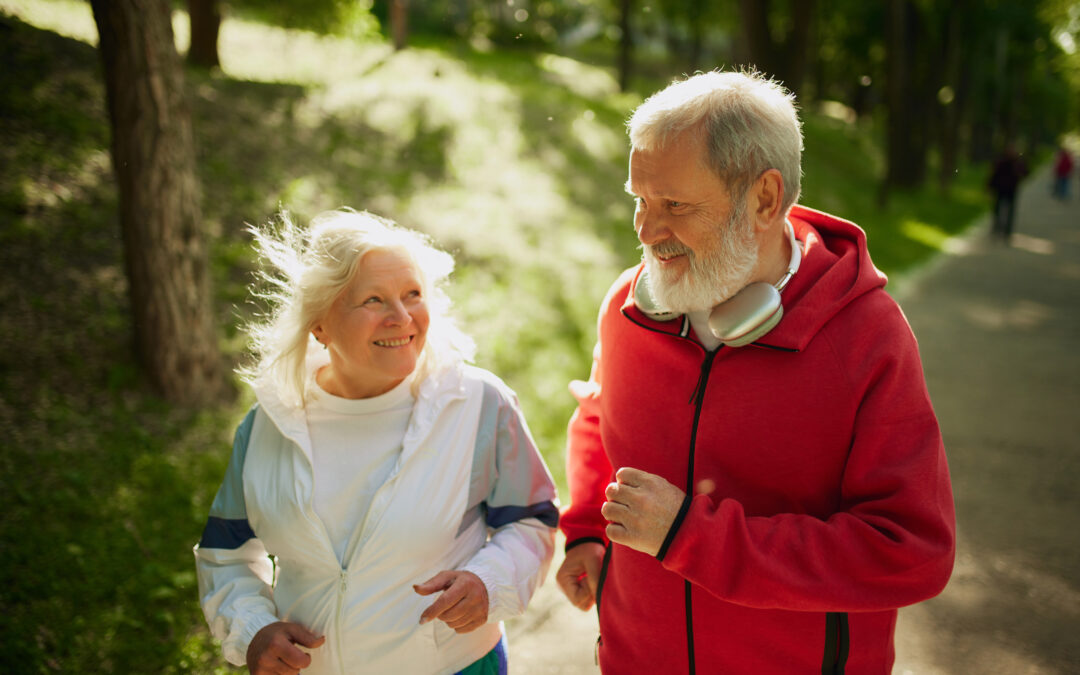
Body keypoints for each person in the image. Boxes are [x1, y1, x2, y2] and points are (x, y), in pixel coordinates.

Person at [555, 70, 955, 674]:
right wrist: (586, 526)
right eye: (640, 199)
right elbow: (597, 417)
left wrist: (693, 535)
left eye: (675, 205)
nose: (645, 229)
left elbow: (911, 551)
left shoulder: (868, 338)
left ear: (765, 199)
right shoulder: (630, 305)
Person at [194, 209, 558, 675]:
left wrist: (490, 581)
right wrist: (252, 629)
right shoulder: (270, 423)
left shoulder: (477, 403)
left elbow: (534, 519)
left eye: (413, 295)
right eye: (373, 300)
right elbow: (225, 552)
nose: (402, 318)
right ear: (319, 324)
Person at [988, 142, 1028, 241]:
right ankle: (997, 227)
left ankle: (1007, 231)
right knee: (998, 209)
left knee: (1010, 210)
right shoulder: (1001, 160)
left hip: (1011, 189)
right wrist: (989, 185)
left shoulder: (1018, 161)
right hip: (1001, 188)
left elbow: (1025, 172)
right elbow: (994, 172)